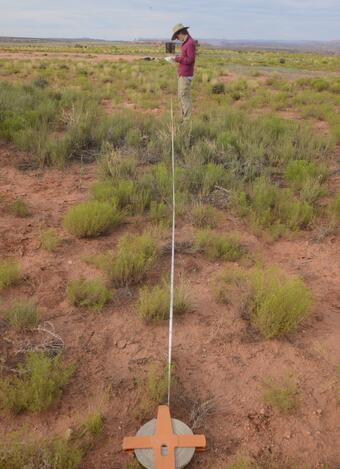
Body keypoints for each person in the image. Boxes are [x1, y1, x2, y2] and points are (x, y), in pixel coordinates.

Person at [171, 23, 196, 120]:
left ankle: (187, 121)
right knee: (181, 97)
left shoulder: (190, 43)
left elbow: (190, 60)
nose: (177, 39)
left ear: (181, 33)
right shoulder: (186, 43)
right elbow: (186, 58)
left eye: (177, 37)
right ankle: (183, 119)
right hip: (182, 74)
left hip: (186, 75)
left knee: (184, 97)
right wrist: (176, 58)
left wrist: (177, 59)